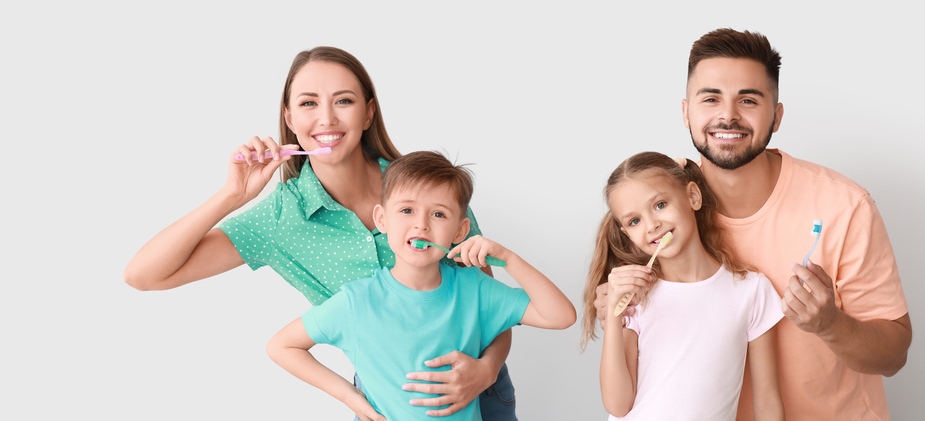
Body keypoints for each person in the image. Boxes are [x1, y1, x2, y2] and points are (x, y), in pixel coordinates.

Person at [124, 47, 520, 419]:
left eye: (343, 101)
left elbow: (491, 305)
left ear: (368, 113)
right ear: (289, 118)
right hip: (385, 404)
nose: (327, 119)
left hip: (479, 391)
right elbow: (143, 275)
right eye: (309, 103)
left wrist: (486, 371)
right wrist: (232, 195)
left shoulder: (429, 188)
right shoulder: (280, 218)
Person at [594, 29, 911, 421]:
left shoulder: (845, 206)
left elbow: (894, 354)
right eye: (711, 98)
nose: (728, 115)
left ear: (776, 116)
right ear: (686, 112)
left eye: (748, 100)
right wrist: (610, 305)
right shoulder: (659, 203)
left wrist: (830, 324)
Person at [267, 151, 576, 421]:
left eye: (438, 214)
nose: (421, 224)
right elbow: (282, 346)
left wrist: (509, 259)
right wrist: (349, 396)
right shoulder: (356, 300)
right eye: (407, 210)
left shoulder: (476, 289)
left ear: (460, 231)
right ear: (382, 219)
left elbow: (561, 316)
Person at [583, 151, 783, 420]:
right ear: (627, 234)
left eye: (660, 205)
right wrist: (614, 312)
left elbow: (768, 402)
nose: (652, 225)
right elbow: (617, 405)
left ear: (693, 196)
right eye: (634, 221)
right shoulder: (635, 297)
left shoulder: (752, 290)